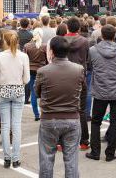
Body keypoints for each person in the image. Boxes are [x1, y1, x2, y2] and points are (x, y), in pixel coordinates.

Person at [35, 36, 85, 177]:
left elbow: (37, 92)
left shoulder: (43, 71)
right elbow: (84, 91)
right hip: (72, 118)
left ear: (51, 51)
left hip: (49, 119)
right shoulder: (79, 69)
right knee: (71, 160)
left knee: (46, 159)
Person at [86, 25, 116, 162]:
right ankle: (110, 154)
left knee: (95, 122)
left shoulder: (93, 50)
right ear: (115, 36)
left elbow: (90, 66)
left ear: (101, 36)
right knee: (115, 122)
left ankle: (95, 152)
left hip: (100, 90)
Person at [0, 30, 30, 168]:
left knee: (5, 125)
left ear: (5, 41)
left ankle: (6, 158)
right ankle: (15, 158)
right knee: (16, 125)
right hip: (18, 90)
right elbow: (26, 79)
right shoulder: (23, 56)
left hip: (3, 90)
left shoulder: (0, 57)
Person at [65, 17, 90, 150]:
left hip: (64, 77)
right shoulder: (84, 41)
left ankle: (62, 142)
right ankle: (84, 141)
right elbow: (87, 58)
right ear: (79, 28)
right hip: (80, 76)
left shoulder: (61, 40)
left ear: (67, 27)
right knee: (81, 111)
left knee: (63, 109)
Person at [24, 28, 47, 121]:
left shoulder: (27, 46)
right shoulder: (45, 46)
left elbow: (25, 59)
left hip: (30, 70)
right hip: (42, 70)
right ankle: (44, 113)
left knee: (33, 93)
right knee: (44, 92)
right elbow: (47, 59)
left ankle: (36, 114)